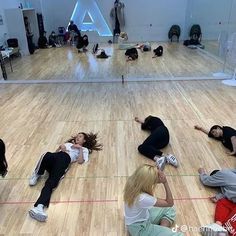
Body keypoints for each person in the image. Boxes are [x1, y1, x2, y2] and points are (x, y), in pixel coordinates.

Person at [28, 132, 103, 222]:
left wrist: (79, 149)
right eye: (77, 136)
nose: (77, 137)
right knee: (46, 154)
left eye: (80, 136)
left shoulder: (84, 150)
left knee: (50, 184)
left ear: (84, 140)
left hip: (64, 162)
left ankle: (39, 208)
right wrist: (60, 148)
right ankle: (37, 174)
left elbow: (80, 161)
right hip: (57, 157)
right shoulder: (68, 144)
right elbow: (53, 154)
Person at [124, 164, 183, 236]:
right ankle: (161, 232)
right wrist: (165, 182)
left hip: (137, 222)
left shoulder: (132, 182)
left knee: (169, 209)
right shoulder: (143, 198)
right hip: (140, 229)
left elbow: (169, 205)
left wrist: (155, 170)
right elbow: (169, 202)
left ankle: (160, 231)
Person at [198, 168, 236, 235]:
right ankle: (218, 226)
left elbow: (206, 181)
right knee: (223, 202)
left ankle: (219, 226)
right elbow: (230, 191)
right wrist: (218, 196)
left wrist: (202, 173)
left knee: (229, 225)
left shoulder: (222, 174)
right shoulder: (231, 173)